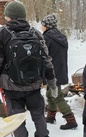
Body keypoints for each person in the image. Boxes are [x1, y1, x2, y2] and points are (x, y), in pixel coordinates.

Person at [0, 1, 58, 137]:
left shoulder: (3, 34)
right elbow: (47, 60)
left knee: (16, 120)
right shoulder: (36, 33)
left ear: (8, 16)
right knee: (38, 115)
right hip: (34, 85)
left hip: (11, 87)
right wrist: (52, 82)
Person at [41, 14, 78, 130]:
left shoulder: (46, 38)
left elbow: (43, 57)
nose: (41, 27)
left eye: (42, 24)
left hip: (51, 71)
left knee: (57, 96)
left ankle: (71, 120)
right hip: (60, 70)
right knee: (50, 94)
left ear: (47, 25)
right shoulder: (61, 37)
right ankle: (51, 116)